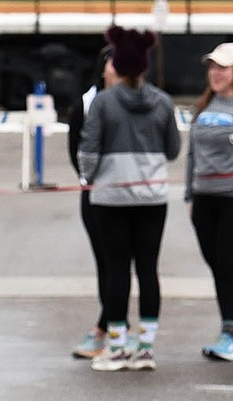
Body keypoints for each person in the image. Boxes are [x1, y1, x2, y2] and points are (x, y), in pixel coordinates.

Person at [77, 24, 181, 372]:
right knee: (148, 269)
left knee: (117, 271)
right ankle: (146, 347)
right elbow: (173, 150)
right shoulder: (163, 102)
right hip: (153, 198)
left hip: (111, 199)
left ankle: (118, 347)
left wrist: (91, 179)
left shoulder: (104, 103)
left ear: (118, 66)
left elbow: (88, 152)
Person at [185, 42, 233, 361]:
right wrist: (189, 195)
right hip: (203, 200)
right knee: (217, 266)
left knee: (230, 266)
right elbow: (191, 155)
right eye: (212, 67)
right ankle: (229, 327)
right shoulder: (203, 108)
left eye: (222, 68)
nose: (215, 73)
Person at [66, 48, 116, 359]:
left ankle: (109, 328)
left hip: (133, 197)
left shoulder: (143, 99)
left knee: (128, 266)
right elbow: (76, 151)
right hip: (96, 195)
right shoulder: (86, 103)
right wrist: (93, 182)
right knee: (107, 264)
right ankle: (107, 326)